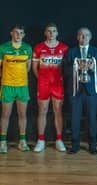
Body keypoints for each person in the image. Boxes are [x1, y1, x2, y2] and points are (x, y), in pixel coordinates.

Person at [65, 27, 97, 155]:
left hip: (91, 90)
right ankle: (75, 144)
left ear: (90, 37)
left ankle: (92, 144)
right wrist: (75, 68)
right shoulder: (71, 52)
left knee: (92, 118)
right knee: (75, 118)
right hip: (76, 90)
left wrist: (93, 68)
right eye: (81, 35)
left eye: (86, 35)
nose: (84, 37)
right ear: (77, 37)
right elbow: (65, 71)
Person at [32, 23, 68, 152]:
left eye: (54, 31)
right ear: (45, 33)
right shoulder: (38, 47)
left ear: (57, 33)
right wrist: (42, 79)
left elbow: (66, 69)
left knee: (58, 111)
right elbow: (34, 69)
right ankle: (41, 140)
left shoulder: (64, 48)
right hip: (44, 84)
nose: (51, 33)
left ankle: (59, 139)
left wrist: (60, 79)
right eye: (49, 31)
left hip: (58, 85)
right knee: (42, 111)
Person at [0, 24, 32, 153]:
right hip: (7, 86)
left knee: (22, 115)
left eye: (21, 33)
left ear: (24, 35)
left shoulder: (27, 48)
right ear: (11, 33)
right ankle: (2, 143)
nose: (19, 35)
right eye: (16, 32)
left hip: (22, 86)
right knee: (5, 115)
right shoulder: (3, 48)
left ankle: (22, 142)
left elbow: (28, 68)